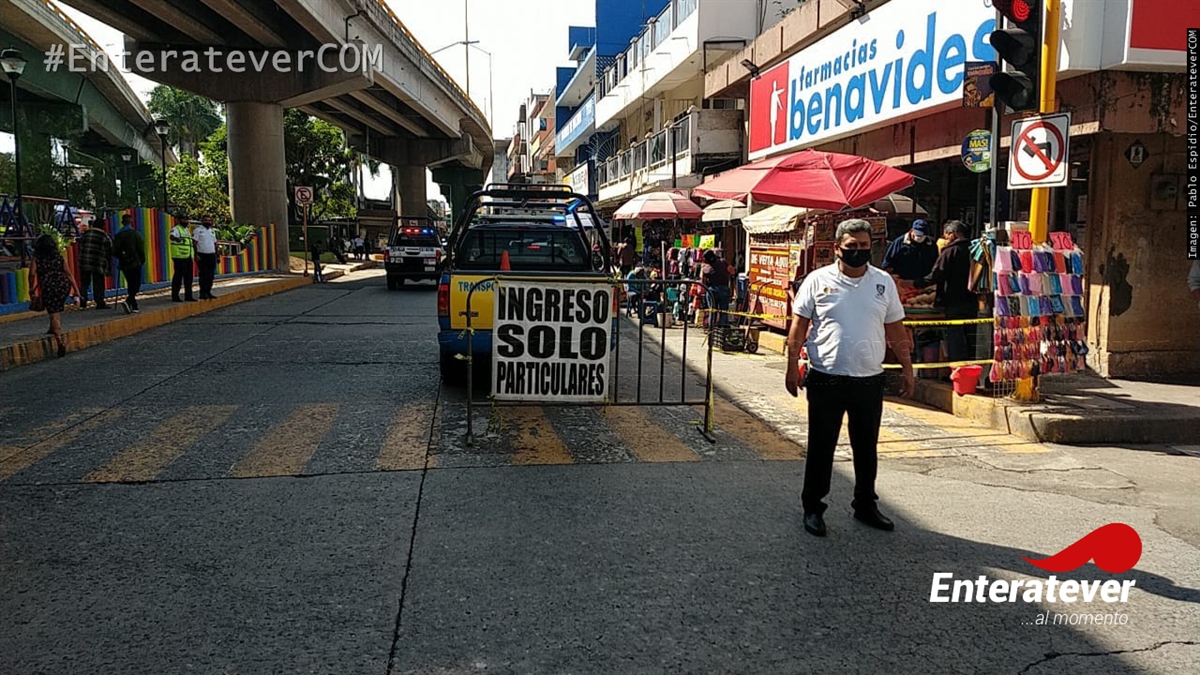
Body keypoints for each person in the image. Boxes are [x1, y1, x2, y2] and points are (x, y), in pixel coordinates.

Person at [785, 218, 914, 538]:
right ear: (837, 248)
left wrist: (907, 368)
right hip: (826, 376)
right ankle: (813, 507)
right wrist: (790, 365)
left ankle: (865, 505)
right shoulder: (817, 280)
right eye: (851, 246)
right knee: (821, 446)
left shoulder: (883, 282)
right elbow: (799, 326)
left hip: (868, 379)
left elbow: (895, 329)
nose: (858, 251)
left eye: (864, 246)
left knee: (866, 447)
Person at [921, 220, 978, 364]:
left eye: (946, 235)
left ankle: (958, 367)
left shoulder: (950, 251)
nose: (945, 238)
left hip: (954, 301)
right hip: (972, 300)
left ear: (953, 234)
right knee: (971, 337)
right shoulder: (976, 249)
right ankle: (971, 367)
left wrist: (916, 283)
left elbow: (937, 275)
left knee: (956, 337)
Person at [28, 234, 79, 358]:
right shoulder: (59, 257)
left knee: (54, 313)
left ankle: (59, 339)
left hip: (48, 287)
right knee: (55, 308)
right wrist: (76, 291)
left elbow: (32, 274)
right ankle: (52, 328)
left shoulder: (37, 258)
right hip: (63, 285)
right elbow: (69, 274)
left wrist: (31, 288)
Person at [112, 214, 145, 313]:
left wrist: (122, 257)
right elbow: (140, 248)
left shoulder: (118, 235)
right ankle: (130, 301)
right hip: (135, 262)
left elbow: (114, 251)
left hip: (124, 263)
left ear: (122, 222)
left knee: (131, 283)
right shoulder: (135, 234)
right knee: (136, 284)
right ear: (131, 222)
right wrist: (142, 260)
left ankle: (133, 305)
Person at [77, 219, 113, 309]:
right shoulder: (104, 236)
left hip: (84, 262)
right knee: (98, 283)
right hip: (98, 263)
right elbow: (109, 251)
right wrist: (109, 267)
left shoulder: (85, 234)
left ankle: (83, 301)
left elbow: (80, 245)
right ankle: (99, 302)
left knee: (84, 283)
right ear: (103, 226)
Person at [700, 249, 733, 327]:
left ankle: (711, 328)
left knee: (712, 311)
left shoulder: (706, 267)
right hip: (724, 289)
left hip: (711, 290)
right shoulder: (723, 262)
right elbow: (732, 271)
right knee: (723, 311)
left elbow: (702, 281)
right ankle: (723, 328)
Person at [169, 218, 196, 302]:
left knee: (189, 278)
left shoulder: (186, 230)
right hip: (179, 256)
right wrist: (177, 239)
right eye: (184, 219)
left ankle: (188, 296)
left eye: (187, 220)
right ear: (179, 220)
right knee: (178, 277)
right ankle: (175, 296)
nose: (186, 221)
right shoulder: (176, 229)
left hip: (188, 257)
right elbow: (172, 236)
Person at [194, 216, 219, 300]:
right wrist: (196, 254)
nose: (208, 222)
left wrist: (217, 255)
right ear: (202, 221)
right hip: (202, 255)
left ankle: (208, 292)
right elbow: (195, 242)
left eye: (209, 220)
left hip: (211, 255)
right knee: (203, 274)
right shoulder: (198, 230)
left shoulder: (212, 231)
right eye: (206, 220)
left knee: (210, 275)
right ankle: (202, 293)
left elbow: (215, 244)